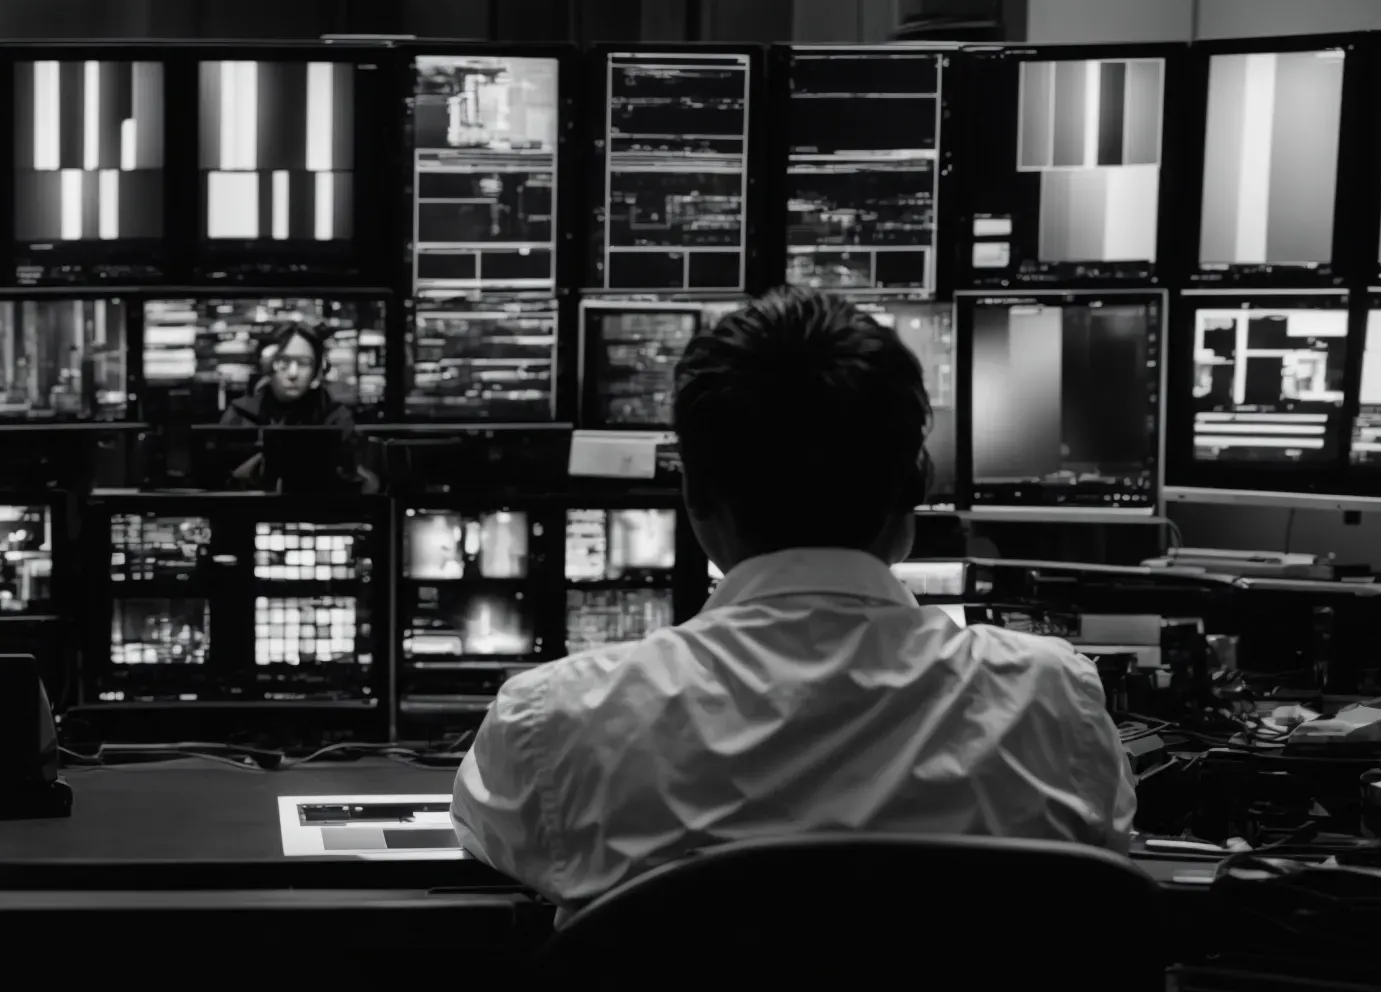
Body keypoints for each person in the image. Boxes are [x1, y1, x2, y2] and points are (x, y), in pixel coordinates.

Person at [451, 285, 1135, 917]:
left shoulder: (556, 722)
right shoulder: (1053, 703)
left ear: (694, 497)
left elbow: (496, 838)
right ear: (913, 489)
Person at [220, 320, 375, 492]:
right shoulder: (240, 414)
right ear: (268, 365)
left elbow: (362, 483)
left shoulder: (335, 418)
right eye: (283, 362)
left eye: (303, 363)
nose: (293, 374)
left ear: (317, 369)